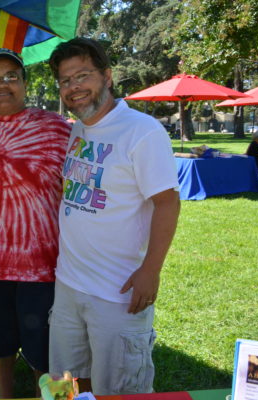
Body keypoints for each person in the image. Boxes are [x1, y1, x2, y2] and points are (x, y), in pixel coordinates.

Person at [47, 37, 181, 396]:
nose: (73, 87)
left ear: (107, 76)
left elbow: (168, 203)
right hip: (69, 285)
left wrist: (150, 270)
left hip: (117, 292)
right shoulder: (79, 128)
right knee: (69, 386)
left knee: (120, 391)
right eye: (65, 80)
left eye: (82, 75)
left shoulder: (142, 131)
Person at [0, 48, 71, 398]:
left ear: (25, 83)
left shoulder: (54, 127)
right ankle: (7, 395)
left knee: (48, 347)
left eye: (11, 76)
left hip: (41, 262)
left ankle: (50, 397)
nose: (2, 84)